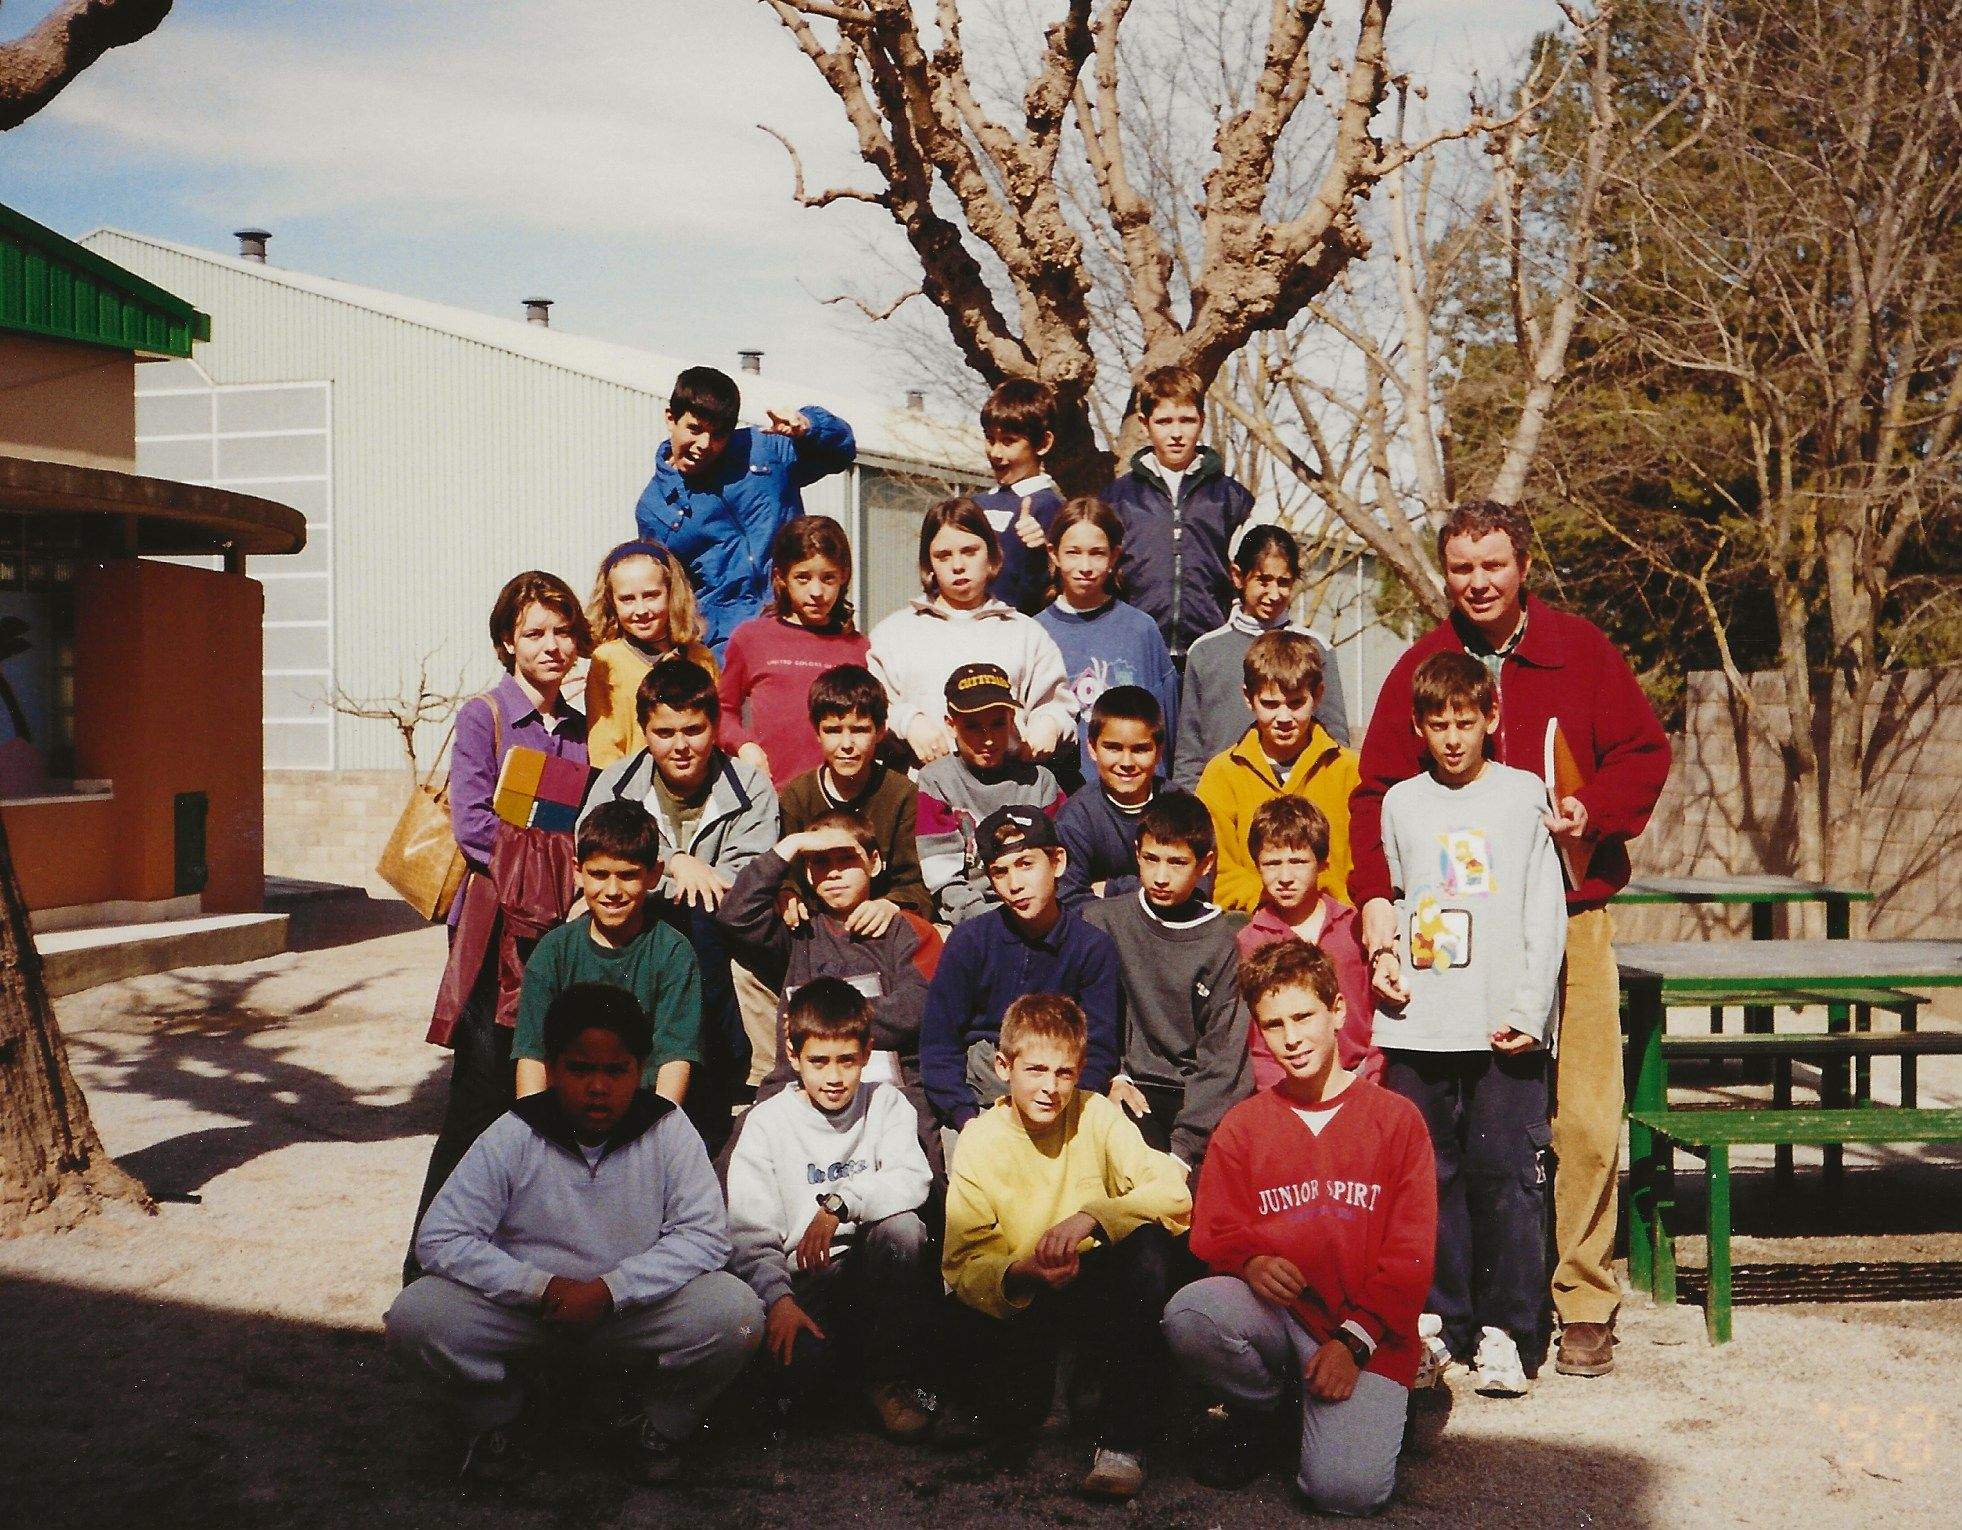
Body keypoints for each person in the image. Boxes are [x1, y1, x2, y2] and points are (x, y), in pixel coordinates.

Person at [1348, 498, 1670, 1379]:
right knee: (1475, 1132)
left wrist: (1592, 813)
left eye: (1494, 564)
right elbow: (1375, 794)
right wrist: (1374, 899)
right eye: (1462, 568)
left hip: (1572, 909)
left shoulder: (1580, 651)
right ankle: (1467, 1307)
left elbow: (1644, 754)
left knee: (1585, 1118)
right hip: (1463, 938)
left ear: (1523, 565)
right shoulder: (1422, 666)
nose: (1479, 582)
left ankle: (1583, 1297)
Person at [386, 984, 763, 1487]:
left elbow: (705, 1236)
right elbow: (440, 1236)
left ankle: (655, 1422)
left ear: (640, 1070)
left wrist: (612, 1290)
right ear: (552, 1069)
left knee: (736, 1312)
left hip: (630, 1315)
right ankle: (501, 1416)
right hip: (533, 1315)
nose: (597, 1087)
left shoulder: (667, 1130)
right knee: (416, 1315)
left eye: (616, 1071)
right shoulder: (515, 1131)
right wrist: (539, 1288)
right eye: (580, 1070)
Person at [1162, 942, 1435, 1514]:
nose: (1291, 1038)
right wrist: (1249, 1262)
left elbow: (1410, 1257)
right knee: (1192, 1313)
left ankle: (1383, 1403)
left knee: (1345, 1493)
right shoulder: (1243, 1126)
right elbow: (1213, 1232)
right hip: (1283, 1319)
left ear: (1337, 1010)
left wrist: (1353, 1344)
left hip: (1367, 1332)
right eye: (1274, 1024)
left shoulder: (1396, 1120)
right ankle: (1268, 1412)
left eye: (1303, 1017)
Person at [1370, 650, 1566, 1397]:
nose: (1452, 738)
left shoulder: (1522, 795)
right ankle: (1438, 1323)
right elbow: (1397, 898)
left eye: (1465, 721)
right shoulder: (1401, 803)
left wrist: (1529, 1008)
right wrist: (1386, 960)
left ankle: (1508, 1329)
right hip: (1419, 1025)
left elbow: (1543, 911)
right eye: (1438, 724)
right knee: (1428, 1181)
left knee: (1508, 1178)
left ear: (1491, 718)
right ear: (1419, 728)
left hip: (1500, 1028)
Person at [408, 570, 591, 1280]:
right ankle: (425, 1267)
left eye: (562, 631)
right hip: (494, 930)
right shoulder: (484, 717)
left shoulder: (578, 729)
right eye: (534, 632)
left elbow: (580, 826)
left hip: (557, 930)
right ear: (507, 642)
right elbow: (475, 825)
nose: (551, 646)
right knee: (478, 1095)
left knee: (540, 1092)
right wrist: (557, 877)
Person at [942, 993, 1193, 1499]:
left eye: (1064, 1073)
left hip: (1091, 1283)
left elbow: (1173, 1189)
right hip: (1023, 1296)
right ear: (1003, 1066)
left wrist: (1093, 1216)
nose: (1050, 1088)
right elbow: (963, 1262)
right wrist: (1023, 1272)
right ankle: (1048, 1392)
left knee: (1150, 1246)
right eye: (1035, 1070)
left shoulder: (1096, 1114)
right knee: (1005, 1415)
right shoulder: (979, 1139)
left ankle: (1121, 1442)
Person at [725, 978, 938, 1441]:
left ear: (867, 1053)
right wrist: (779, 1301)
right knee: (798, 1383)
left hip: (870, 1272)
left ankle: (887, 1380)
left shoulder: (886, 1104)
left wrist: (841, 1204)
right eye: (819, 1061)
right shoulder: (766, 1123)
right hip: (801, 1282)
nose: (834, 1077)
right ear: (793, 1054)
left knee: (904, 1230)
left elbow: (912, 1178)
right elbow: (749, 1233)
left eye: (847, 1060)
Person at [580, 658, 779, 1148]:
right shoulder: (616, 783)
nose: (680, 746)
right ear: (645, 731)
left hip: (718, 926)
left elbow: (745, 879)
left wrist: (675, 874)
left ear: (714, 727)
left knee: (712, 932)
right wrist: (674, 865)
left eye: (693, 730)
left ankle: (728, 1070)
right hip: (636, 915)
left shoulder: (750, 786)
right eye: (664, 733)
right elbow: (600, 861)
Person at [715, 813, 942, 1134]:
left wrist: (823, 1023)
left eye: (846, 859)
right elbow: (734, 916)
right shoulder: (797, 931)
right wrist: (792, 846)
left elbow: (919, 1007)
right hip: (797, 1091)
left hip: (889, 1090)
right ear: (808, 872)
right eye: (820, 862)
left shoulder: (904, 929)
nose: (834, 873)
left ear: (874, 863)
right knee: (742, 1142)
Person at [918, 806, 1120, 1136]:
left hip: (1060, 1100)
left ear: (1057, 862)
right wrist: (966, 1118)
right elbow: (939, 1046)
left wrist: (1061, 1116)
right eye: (1000, 872)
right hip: (979, 1101)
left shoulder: (1091, 947)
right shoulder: (970, 941)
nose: (1015, 884)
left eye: (1026, 864)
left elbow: (1098, 1050)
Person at [633, 365, 856, 655]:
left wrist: (808, 426)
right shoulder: (654, 508)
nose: (704, 445)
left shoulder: (764, 450)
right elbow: (666, 593)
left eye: (718, 435)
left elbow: (842, 451)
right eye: (694, 429)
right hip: (727, 646)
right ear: (670, 418)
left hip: (800, 623)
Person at [1084, 791, 1252, 1170]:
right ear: (1137, 853)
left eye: (1177, 863)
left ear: (1205, 864)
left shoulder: (1221, 941)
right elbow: (1086, 1018)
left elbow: (1224, 1054)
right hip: (1127, 1086)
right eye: (1151, 859)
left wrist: (1184, 1149)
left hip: (1196, 1098)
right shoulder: (1101, 922)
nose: (1161, 877)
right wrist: (1110, 1076)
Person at [509, 801, 703, 1106]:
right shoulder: (553, 951)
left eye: (628, 875)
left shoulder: (673, 953)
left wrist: (658, 1126)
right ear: (577, 872)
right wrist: (533, 1124)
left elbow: (675, 1060)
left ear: (654, 875)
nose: (612, 891)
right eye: (599, 874)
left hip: (643, 1109)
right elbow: (533, 1056)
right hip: (567, 1110)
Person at [866, 498, 1076, 767]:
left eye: (969, 551)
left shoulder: (1025, 633)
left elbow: (1057, 705)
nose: (958, 565)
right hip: (924, 782)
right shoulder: (894, 634)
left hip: (1009, 779)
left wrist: (1049, 723)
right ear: (929, 565)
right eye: (943, 555)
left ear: (991, 556)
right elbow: (871, 708)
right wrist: (908, 721)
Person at [1174, 524, 1347, 788]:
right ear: (1238, 576)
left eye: (1284, 582)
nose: (1274, 594)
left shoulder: (1316, 647)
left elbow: (1336, 745)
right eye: (1263, 581)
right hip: (1225, 799)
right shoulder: (1205, 651)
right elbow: (1189, 755)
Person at [1100, 364, 1251, 665]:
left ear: (1202, 421)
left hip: (1209, 649)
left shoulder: (1231, 498)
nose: (1177, 433)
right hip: (1135, 649)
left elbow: (1248, 576)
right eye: (1164, 422)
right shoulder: (1117, 499)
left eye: (1187, 420)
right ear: (1145, 424)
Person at [1196, 630, 1358, 912]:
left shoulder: (1348, 770)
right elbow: (1218, 873)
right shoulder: (1222, 774)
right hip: (1251, 923)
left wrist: (1318, 900)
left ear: (1318, 695)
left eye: (1296, 704)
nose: (1284, 718)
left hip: (1335, 922)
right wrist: (1272, 897)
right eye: (1270, 705)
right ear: (1248, 698)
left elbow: (1360, 867)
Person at [1034, 497, 1179, 793]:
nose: (1085, 566)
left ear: (1114, 557)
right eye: (1073, 553)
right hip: (1061, 798)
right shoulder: (1035, 632)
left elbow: (1166, 723)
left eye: (1097, 553)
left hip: (1135, 795)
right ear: (1053, 554)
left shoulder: (1141, 630)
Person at [717, 516, 870, 788]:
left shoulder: (860, 648)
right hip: (770, 793)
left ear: (844, 576)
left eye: (828, 578)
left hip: (840, 798)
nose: (816, 591)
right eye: (803, 578)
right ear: (781, 577)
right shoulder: (751, 638)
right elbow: (721, 711)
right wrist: (744, 746)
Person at [1236, 797, 1376, 1088]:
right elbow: (1256, 1040)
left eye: (1298, 862)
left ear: (1322, 863)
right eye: (1272, 864)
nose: (1285, 877)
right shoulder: (1250, 941)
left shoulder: (1354, 927)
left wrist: (1373, 1076)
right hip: (1286, 1084)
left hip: (1360, 1076)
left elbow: (1377, 1014)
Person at [915, 663, 1068, 926]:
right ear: (951, 725)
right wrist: (995, 923)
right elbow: (944, 881)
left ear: (1011, 719)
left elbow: (1061, 865)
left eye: (997, 724)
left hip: (1039, 914)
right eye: (973, 727)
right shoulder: (936, 781)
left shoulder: (1039, 781)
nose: (988, 740)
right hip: (971, 919)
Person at [777, 663, 929, 919]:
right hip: (817, 925)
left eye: (859, 730)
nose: (846, 744)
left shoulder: (904, 795)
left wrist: (890, 905)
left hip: (883, 922)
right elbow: (788, 877)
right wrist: (788, 895)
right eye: (833, 731)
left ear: (880, 731)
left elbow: (916, 883)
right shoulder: (798, 796)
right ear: (817, 732)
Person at [584, 540, 718, 770]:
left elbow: (717, 729)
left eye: (651, 596)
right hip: (632, 783)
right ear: (611, 602)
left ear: (672, 594)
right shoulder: (607, 660)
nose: (641, 610)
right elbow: (603, 746)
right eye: (627, 599)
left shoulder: (701, 657)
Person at [1056, 685, 1164, 909]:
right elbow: (1071, 901)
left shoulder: (1182, 808)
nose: (1126, 763)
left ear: (1159, 752)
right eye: (1113, 748)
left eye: (1140, 749)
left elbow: (1195, 885)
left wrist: (1111, 889)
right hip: (1099, 930)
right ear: (1092, 748)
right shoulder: (1075, 819)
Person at [973, 377, 1066, 615]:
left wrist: (1038, 554)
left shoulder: (1050, 508)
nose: (995, 453)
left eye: (1008, 442)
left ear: (1043, 443)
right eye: (990, 439)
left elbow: (1049, 591)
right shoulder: (976, 504)